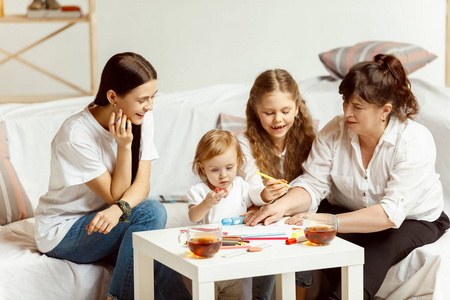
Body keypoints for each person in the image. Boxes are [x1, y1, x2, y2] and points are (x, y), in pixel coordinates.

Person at [246, 54, 450, 300]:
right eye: (345, 103)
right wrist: (279, 207)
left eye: (358, 107)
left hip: (411, 220)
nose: (347, 112)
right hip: (346, 208)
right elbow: (312, 184)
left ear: (385, 110)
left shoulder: (413, 140)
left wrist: (327, 221)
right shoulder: (335, 130)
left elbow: (389, 215)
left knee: (374, 254)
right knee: (301, 232)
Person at [34, 52, 191, 300]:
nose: (150, 106)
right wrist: (124, 146)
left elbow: (142, 185)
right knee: (152, 212)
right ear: (112, 97)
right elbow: (117, 194)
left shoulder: (142, 117)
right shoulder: (76, 135)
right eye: (143, 99)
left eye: (152, 97)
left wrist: (117, 210)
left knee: (152, 258)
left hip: (111, 219)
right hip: (64, 231)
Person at [238, 69, 316, 300]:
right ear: (256, 112)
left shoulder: (311, 140)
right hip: (264, 214)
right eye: (269, 113)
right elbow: (251, 185)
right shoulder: (245, 142)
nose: (278, 120)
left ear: (297, 107)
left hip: (296, 217)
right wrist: (266, 194)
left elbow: (318, 185)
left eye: (285, 111)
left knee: (302, 235)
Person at [187, 128, 254, 300]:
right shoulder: (199, 191)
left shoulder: (241, 186)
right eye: (215, 170)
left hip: (233, 256)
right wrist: (207, 203)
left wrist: (252, 213)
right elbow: (194, 216)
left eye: (229, 167)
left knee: (233, 295)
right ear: (203, 168)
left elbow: (253, 207)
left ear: (238, 162)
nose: (223, 175)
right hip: (209, 257)